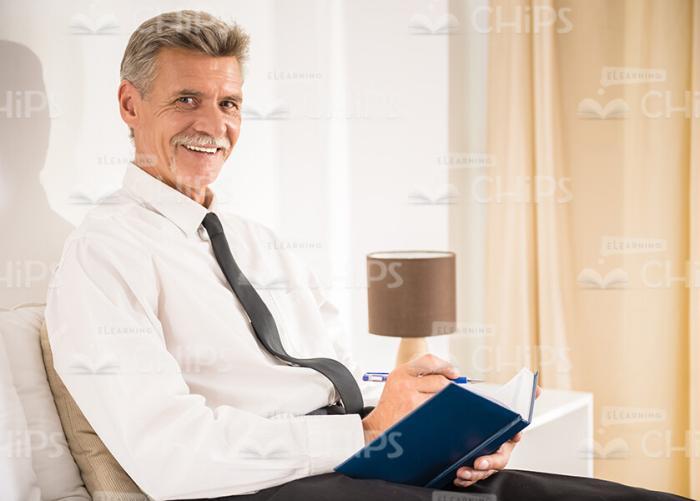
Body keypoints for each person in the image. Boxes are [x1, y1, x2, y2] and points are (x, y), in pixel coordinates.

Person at [45, 10, 690, 501]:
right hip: (260, 488)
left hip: (349, 460)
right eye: (186, 99)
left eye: (229, 103)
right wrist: (363, 434)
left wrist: (441, 420)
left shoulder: (254, 240)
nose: (213, 125)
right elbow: (171, 456)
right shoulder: (103, 254)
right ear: (130, 105)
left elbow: (336, 372)